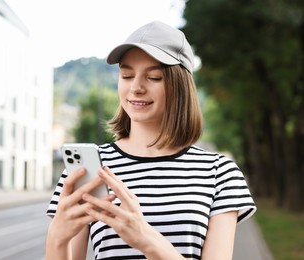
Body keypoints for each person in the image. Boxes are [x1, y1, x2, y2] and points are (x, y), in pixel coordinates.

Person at [46, 21, 256, 260]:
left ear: (180, 86)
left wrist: (146, 239)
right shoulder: (89, 169)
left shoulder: (219, 172)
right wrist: (57, 239)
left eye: (153, 77)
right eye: (127, 75)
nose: (135, 87)